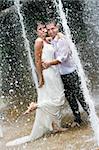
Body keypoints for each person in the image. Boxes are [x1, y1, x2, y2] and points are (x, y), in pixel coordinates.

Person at [6, 22, 67, 147]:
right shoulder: (38, 41)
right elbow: (37, 61)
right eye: (40, 29)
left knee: (55, 98)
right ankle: (36, 105)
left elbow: (54, 43)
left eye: (44, 28)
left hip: (54, 73)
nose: (44, 30)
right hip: (48, 74)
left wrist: (58, 35)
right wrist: (40, 77)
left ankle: (55, 126)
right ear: (36, 32)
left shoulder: (47, 40)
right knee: (58, 100)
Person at [42, 20, 90, 127]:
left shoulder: (62, 40)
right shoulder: (53, 40)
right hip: (61, 75)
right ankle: (77, 119)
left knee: (80, 95)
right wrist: (45, 39)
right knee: (70, 97)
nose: (51, 31)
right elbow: (48, 43)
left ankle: (91, 116)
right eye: (48, 30)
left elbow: (62, 59)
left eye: (52, 29)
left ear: (57, 28)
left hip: (71, 73)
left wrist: (49, 63)